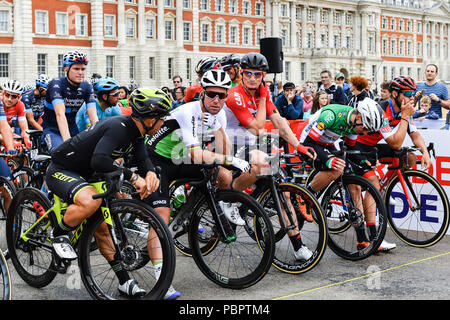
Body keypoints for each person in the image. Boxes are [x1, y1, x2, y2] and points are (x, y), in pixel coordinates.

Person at [45, 87, 170, 298]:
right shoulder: (119, 127)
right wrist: (133, 177)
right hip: (63, 169)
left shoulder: (137, 133)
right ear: (149, 119)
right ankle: (58, 233)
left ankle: (124, 281)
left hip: (88, 175)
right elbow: (99, 160)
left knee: (103, 229)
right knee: (90, 201)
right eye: (162, 117)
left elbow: (142, 158)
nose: (164, 122)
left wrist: (149, 173)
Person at [144, 69, 249, 299]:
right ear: (202, 93)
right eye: (212, 94)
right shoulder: (187, 111)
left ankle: (202, 207)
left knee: (221, 173)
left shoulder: (218, 113)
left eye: (222, 96)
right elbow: (199, 154)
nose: (217, 100)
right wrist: (229, 159)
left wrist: (224, 147)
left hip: (180, 157)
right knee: (161, 214)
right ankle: (161, 280)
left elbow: (225, 150)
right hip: (158, 159)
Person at [224, 52, 316, 260]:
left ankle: (298, 246)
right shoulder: (235, 95)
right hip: (228, 144)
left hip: (252, 145)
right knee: (262, 165)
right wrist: (265, 98)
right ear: (241, 73)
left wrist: (298, 146)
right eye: (248, 73)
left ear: (263, 75)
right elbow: (257, 128)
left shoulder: (262, 95)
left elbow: (280, 122)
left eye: (258, 74)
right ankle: (231, 199)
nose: (253, 78)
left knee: (283, 193)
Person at [350, 77, 432, 250]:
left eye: (413, 93)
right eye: (408, 94)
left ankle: (383, 186)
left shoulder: (403, 109)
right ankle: (373, 236)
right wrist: (404, 117)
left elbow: (415, 135)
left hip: (372, 145)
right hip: (357, 144)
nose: (412, 98)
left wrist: (424, 152)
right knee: (371, 184)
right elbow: (395, 143)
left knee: (409, 158)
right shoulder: (382, 109)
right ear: (394, 94)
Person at [42, 51, 98, 152]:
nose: (80, 72)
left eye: (83, 69)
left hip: (72, 128)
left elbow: (93, 117)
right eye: (76, 69)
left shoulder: (87, 86)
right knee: (62, 153)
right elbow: (60, 114)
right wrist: (67, 143)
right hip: (53, 129)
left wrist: (99, 138)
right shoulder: (56, 84)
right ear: (66, 69)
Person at [0, 80, 31, 146]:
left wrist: (26, 139)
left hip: (4, 131)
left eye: (14, 96)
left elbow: (24, 129)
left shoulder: (20, 105)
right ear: (3, 93)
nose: (9, 99)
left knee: (19, 142)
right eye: (7, 94)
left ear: (19, 97)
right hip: (3, 132)